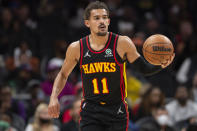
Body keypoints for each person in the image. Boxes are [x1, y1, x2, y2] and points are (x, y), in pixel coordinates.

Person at [48, 1, 174, 131]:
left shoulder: (122, 43)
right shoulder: (77, 47)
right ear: (87, 23)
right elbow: (63, 74)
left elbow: (144, 68)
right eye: (96, 18)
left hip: (116, 110)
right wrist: (53, 98)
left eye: (104, 17)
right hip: (91, 111)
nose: (102, 21)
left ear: (108, 21)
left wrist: (161, 64)